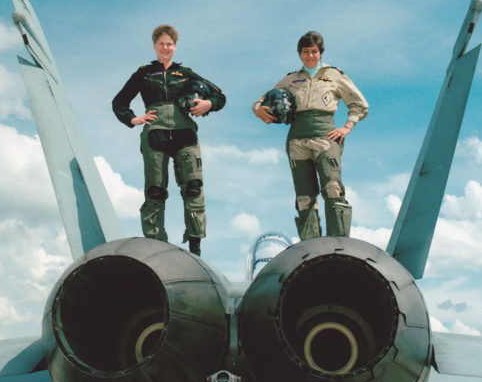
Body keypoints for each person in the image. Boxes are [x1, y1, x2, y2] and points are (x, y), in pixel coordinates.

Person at [113, 25, 225, 256]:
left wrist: (208, 104)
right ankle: (155, 245)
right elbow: (119, 102)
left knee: (193, 187)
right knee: (155, 190)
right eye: (161, 44)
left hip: (185, 134)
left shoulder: (185, 73)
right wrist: (133, 119)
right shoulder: (143, 73)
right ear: (155, 46)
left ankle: (195, 247)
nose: (165, 48)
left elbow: (220, 96)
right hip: (155, 134)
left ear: (175, 46)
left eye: (170, 44)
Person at [252, 31, 368, 240]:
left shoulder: (334, 75)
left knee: (333, 188)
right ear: (300, 54)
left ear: (320, 53)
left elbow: (359, 104)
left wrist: (347, 126)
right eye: (305, 52)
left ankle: (338, 244)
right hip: (297, 138)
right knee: (305, 197)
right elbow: (262, 100)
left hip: (326, 136)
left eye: (314, 51)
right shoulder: (291, 79)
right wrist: (258, 109)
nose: (310, 56)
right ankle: (311, 247)